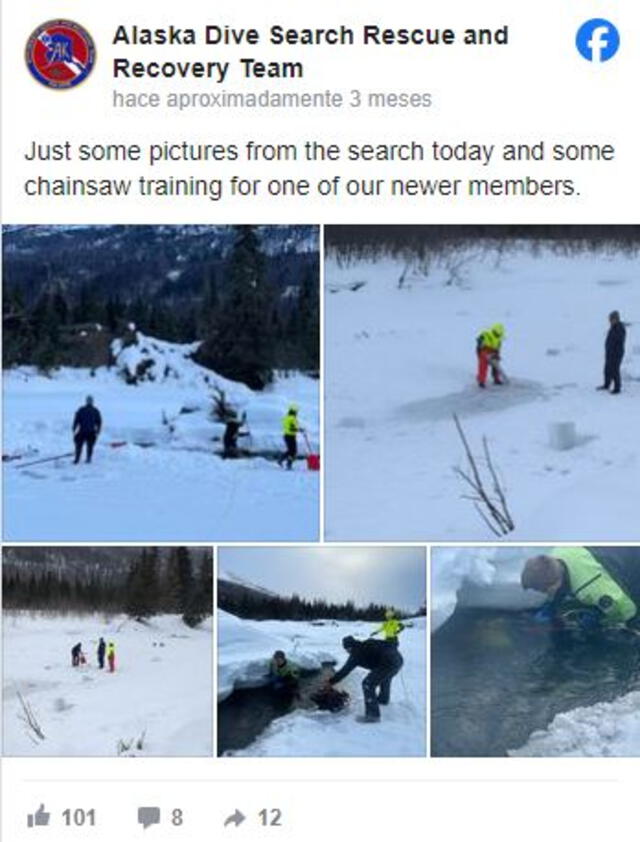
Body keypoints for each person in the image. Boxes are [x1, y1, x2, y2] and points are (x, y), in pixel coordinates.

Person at [521, 547, 640, 633]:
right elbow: (561, 581)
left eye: (542, 590)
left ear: (553, 585)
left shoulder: (592, 588)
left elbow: (627, 610)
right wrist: (553, 604)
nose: (543, 593)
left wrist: (600, 619)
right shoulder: (559, 552)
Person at [329, 636, 404, 723]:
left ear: (349, 647)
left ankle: (372, 716)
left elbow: (345, 671)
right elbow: (388, 643)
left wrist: (331, 682)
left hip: (388, 662)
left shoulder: (356, 653)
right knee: (385, 679)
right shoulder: (366, 644)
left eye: (347, 650)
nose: (347, 652)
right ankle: (383, 700)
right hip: (398, 660)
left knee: (368, 684)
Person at [597, 310, 626, 394]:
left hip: (616, 353)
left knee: (615, 370)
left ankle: (617, 388)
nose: (610, 321)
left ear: (616, 319)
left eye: (611, 319)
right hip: (610, 353)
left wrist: (613, 350)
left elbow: (618, 340)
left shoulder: (620, 328)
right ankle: (606, 384)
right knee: (607, 369)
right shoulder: (613, 327)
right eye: (610, 319)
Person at [72, 395, 102, 464]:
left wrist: (98, 430)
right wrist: (74, 427)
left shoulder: (95, 411)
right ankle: (78, 459)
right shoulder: (82, 410)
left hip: (90, 432)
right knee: (80, 446)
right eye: (88, 401)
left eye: (90, 401)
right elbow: (76, 419)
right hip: (83, 431)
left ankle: (86, 458)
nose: (89, 402)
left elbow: (99, 422)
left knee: (89, 446)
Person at [476, 323, 505, 388]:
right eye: (498, 334)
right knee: (483, 366)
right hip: (483, 351)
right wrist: (482, 348)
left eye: (499, 334)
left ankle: (496, 379)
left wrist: (497, 355)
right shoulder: (486, 334)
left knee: (496, 364)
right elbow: (479, 342)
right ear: (495, 331)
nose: (499, 335)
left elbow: (497, 348)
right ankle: (481, 381)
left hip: (492, 351)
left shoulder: (499, 339)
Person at [278, 405, 304, 470]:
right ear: (294, 412)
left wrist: (297, 429)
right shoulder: (292, 418)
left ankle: (281, 460)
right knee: (293, 451)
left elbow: (289, 427)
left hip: (286, 435)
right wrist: (299, 430)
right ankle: (288, 464)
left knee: (290, 450)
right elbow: (292, 428)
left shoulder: (286, 417)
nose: (297, 413)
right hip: (291, 436)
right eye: (296, 412)